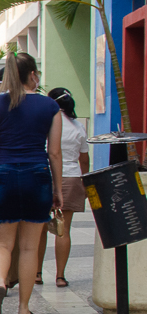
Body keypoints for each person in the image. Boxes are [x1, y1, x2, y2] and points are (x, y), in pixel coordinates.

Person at [0, 52, 63, 314]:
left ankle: (1, 282)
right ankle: (24, 309)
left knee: (1, 244)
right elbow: (54, 153)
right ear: (33, 74)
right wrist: (58, 189)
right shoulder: (50, 106)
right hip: (38, 176)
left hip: (5, 175)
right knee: (29, 248)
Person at [37, 88, 89, 288]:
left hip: (45, 175)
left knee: (40, 229)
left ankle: (37, 273)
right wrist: (84, 182)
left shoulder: (44, 124)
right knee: (64, 230)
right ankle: (60, 276)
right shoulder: (78, 126)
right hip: (71, 176)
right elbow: (84, 158)